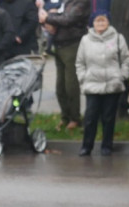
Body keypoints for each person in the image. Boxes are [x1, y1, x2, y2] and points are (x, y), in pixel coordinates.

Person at [75, 11, 129, 156]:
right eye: (97, 21)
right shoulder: (85, 40)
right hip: (92, 84)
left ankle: (107, 145)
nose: (100, 24)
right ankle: (87, 146)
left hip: (113, 84)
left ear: (108, 22)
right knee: (90, 118)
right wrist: (83, 78)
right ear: (92, 23)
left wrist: (122, 75)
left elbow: (126, 59)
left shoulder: (118, 38)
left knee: (109, 117)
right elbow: (79, 63)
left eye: (103, 21)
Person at [40, 0, 90, 130]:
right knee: (60, 86)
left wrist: (48, 18)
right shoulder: (65, 2)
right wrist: (52, 17)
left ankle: (75, 118)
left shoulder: (81, 3)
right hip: (59, 45)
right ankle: (65, 117)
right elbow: (58, 16)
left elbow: (68, 19)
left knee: (71, 85)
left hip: (72, 45)